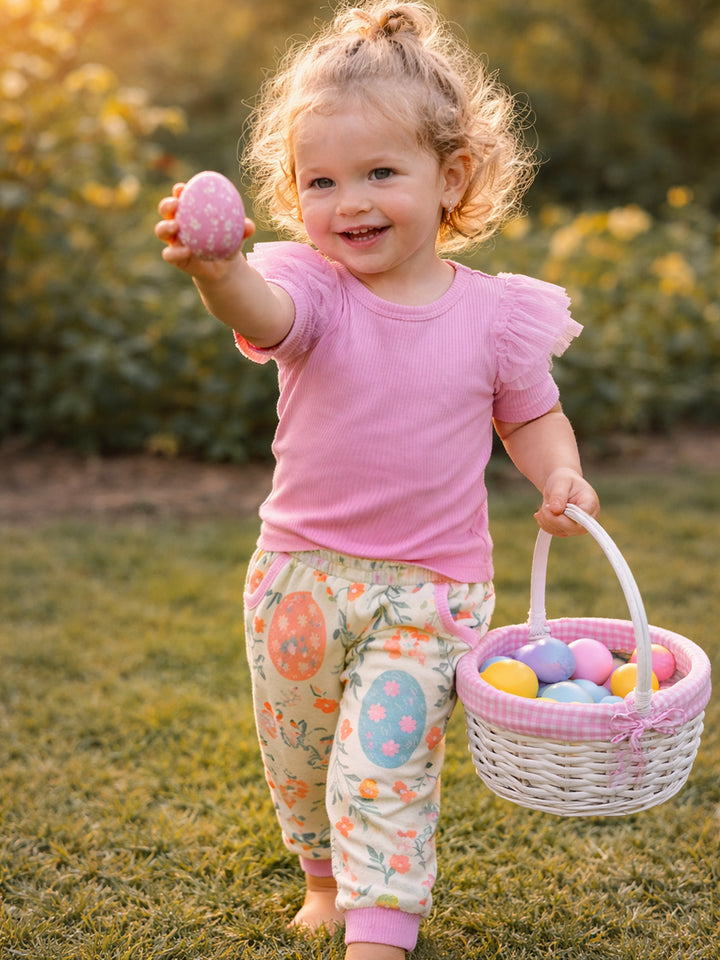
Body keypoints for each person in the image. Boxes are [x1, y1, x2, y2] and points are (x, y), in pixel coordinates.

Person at [155, 2, 600, 957]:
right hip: (300, 573)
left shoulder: (494, 316)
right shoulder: (311, 288)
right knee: (302, 750)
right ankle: (322, 875)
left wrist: (560, 474)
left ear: (453, 176)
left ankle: (381, 922)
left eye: (380, 173)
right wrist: (216, 269)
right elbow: (262, 313)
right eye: (321, 180)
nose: (348, 201)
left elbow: (530, 414)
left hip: (430, 590)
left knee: (384, 760)